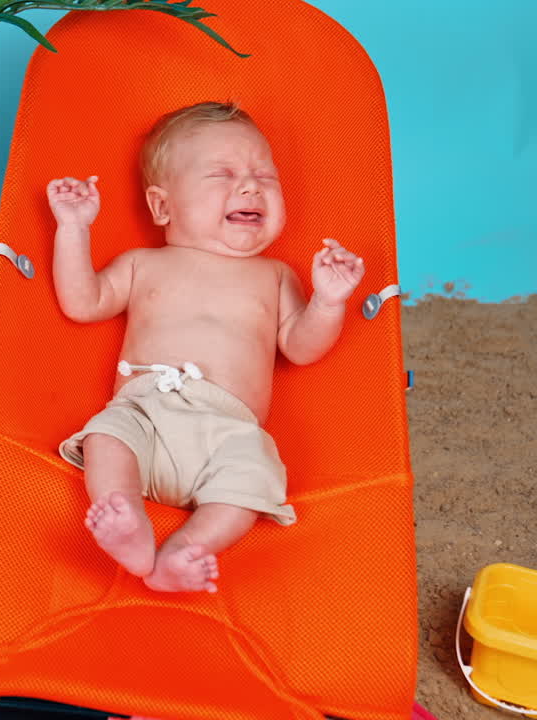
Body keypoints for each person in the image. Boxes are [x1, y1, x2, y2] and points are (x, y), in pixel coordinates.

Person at [50, 101, 365, 593]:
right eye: (222, 173)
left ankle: (183, 551)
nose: (250, 185)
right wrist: (73, 229)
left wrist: (328, 301)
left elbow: (301, 348)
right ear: (162, 206)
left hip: (229, 431)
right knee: (105, 438)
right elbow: (82, 302)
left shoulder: (276, 276)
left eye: (266, 174)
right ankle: (127, 520)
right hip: (145, 413)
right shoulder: (142, 264)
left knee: (255, 473)